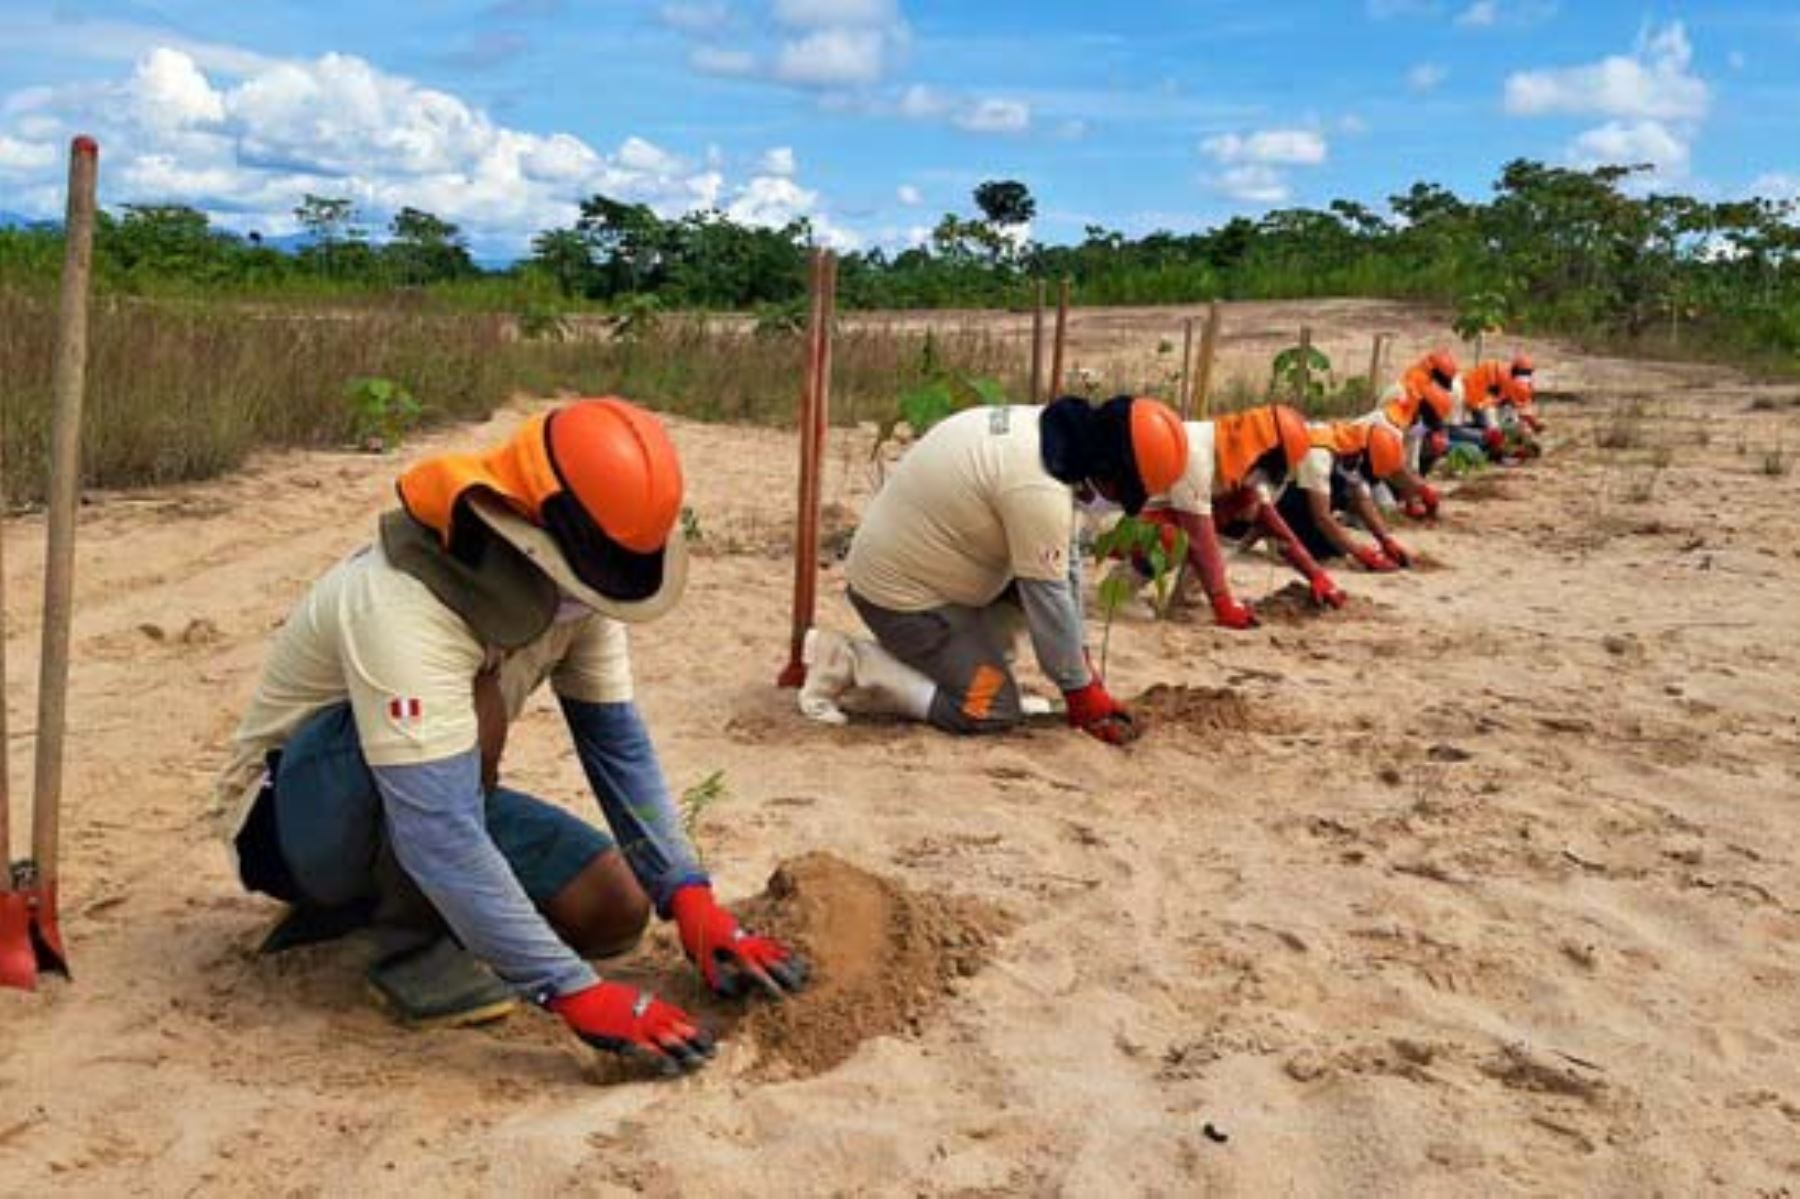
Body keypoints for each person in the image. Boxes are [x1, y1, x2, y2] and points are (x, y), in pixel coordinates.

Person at [215, 399, 805, 1076]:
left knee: (613, 907)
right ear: (533, 526)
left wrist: (688, 894)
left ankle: (386, 909)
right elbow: (439, 829)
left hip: (429, 786)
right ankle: (409, 944)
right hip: (291, 823)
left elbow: (616, 748)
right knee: (480, 702)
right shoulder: (404, 598)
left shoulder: (581, 588)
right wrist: (572, 988)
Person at [799, 395, 1188, 745]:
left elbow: (1063, 569)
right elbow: (1050, 599)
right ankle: (849, 661)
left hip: (925, 567)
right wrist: (1081, 693)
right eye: (1123, 494)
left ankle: (969, 666)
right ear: (1107, 468)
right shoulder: (1037, 489)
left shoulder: (1050, 437)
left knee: (1037, 603)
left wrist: (1080, 667)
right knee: (991, 707)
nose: (1118, 506)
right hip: (904, 602)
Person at [1138, 404, 1347, 630]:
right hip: (1119, 523)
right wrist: (1222, 602)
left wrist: (1316, 575)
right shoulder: (1196, 454)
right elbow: (1200, 538)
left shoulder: (1237, 460)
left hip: (1160, 514)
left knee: (1243, 508)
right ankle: (1118, 595)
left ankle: (1185, 601)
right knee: (1171, 538)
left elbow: (1273, 525)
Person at [1274, 420, 1417, 570]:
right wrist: (1361, 554)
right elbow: (1321, 516)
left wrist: (1386, 540)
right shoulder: (1319, 455)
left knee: (1335, 547)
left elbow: (1361, 499)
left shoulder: (1350, 446)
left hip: (1300, 489)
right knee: (1320, 553)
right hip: (1277, 497)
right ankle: (1273, 536)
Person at [1365, 349, 1458, 521]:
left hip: (1382, 462)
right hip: (1364, 465)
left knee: (1393, 498)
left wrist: (1414, 495)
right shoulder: (1394, 408)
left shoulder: (1414, 415)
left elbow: (1411, 458)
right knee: (1386, 508)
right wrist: (1420, 490)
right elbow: (1393, 464)